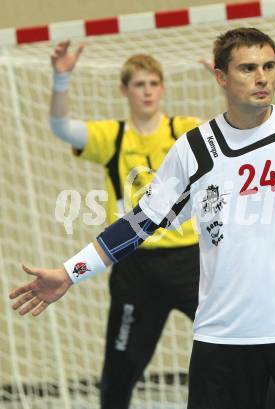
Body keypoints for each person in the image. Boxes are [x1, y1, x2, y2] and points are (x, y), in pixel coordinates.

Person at [10, 28, 275, 409]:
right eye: (247, 68)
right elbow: (138, 224)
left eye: (268, 66)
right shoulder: (194, 149)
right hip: (223, 341)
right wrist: (70, 272)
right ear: (221, 78)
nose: (262, 77)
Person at [48, 42, 202, 409]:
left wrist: (228, 79)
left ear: (163, 88)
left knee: (241, 344)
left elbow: (233, 134)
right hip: (136, 266)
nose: (147, 91)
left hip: (192, 264)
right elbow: (61, 126)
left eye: (153, 83)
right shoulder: (112, 137)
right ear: (124, 90)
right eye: (138, 84)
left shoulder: (186, 130)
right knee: (120, 371)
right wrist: (61, 77)